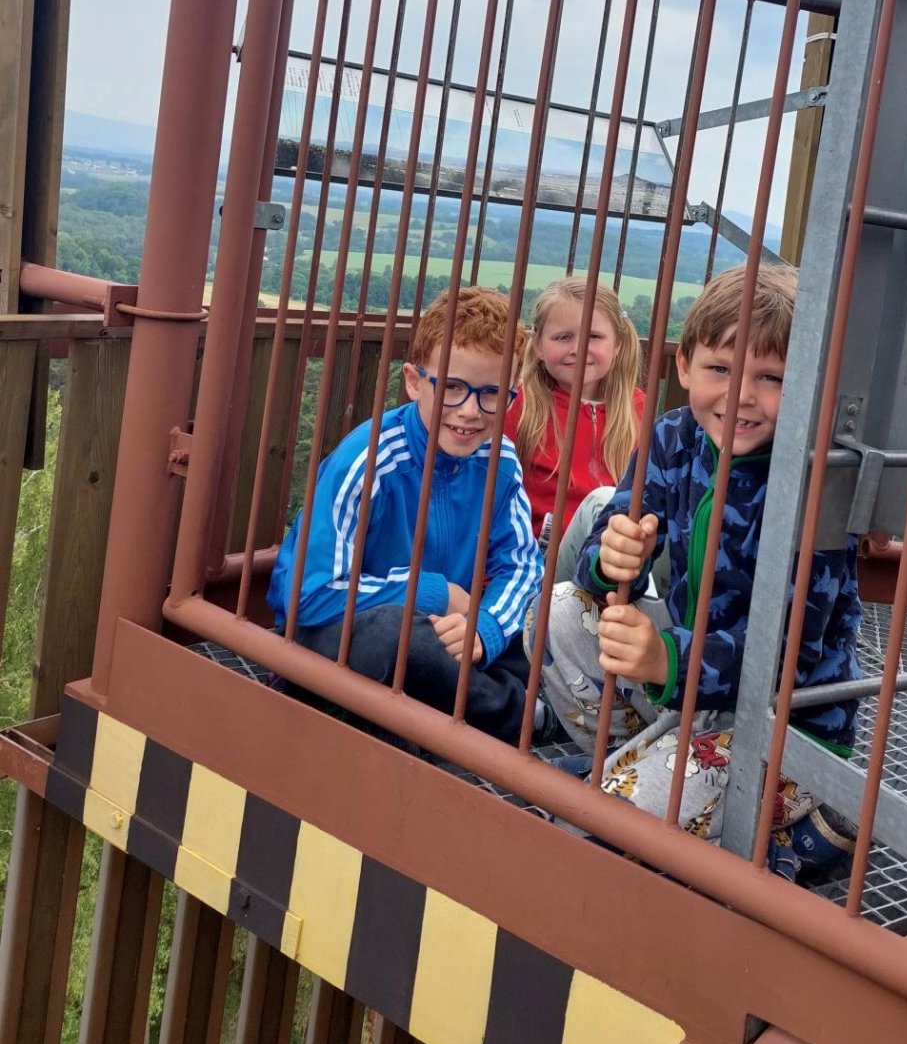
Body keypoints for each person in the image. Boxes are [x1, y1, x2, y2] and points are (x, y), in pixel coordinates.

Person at [537, 263, 863, 882]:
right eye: (720, 370)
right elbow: (604, 545)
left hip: (785, 730)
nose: (741, 396)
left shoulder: (817, 486)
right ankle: (642, 764)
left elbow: (792, 653)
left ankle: (806, 835)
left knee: (605, 825)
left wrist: (666, 658)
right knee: (559, 612)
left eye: (771, 378)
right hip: (688, 701)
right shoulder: (672, 438)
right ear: (684, 365)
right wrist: (610, 559)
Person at [267, 286, 542, 745]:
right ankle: (519, 720)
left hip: (441, 633)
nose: (470, 411)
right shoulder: (370, 458)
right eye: (451, 387)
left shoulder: (500, 460)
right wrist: (434, 594)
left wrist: (486, 629)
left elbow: (523, 566)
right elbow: (305, 595)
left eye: (492, 394)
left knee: (535, 618)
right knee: (396, 636)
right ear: (415, 382)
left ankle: (480, 711)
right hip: (335, 631)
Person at [504, 278, 645, 581]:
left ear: (617, 345)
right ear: (538, 346)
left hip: (617, 560)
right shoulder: (522, 406)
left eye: (594, 336)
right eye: (563, 337)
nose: (578, 349)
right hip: (544, 565)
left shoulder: (637, 410)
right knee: (605, 502)